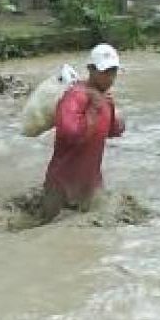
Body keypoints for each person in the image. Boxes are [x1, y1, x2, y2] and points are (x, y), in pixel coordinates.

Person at [40, 43, 126, 223]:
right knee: (48, 232)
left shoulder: (104, 98)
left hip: (91, 184)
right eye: (104, 72)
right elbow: (71, 134)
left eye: (113, 72)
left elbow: (114, 130)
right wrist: (94, 108)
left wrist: (114, 111)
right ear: (91, 69)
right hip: (62, 186)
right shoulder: (74, 96)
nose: (110, 78)